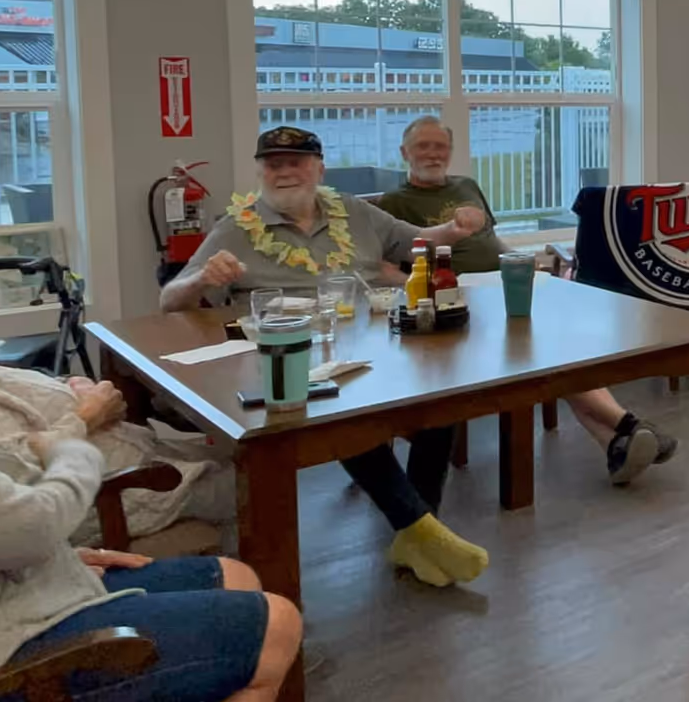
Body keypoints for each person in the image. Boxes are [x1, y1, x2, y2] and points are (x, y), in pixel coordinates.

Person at [162, 126, 489, 587]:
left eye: (295, 162)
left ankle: (420, 525)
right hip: (284, 353)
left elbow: (417, 241)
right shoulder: (236, 228)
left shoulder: (353, 211)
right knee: (341, 408)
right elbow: (169, 301)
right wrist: (198, 281)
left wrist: (453, 229)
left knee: (440, 397)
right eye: (273, 164)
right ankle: (420, 530)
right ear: (260, 171)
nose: (284, 172)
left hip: (368, 341)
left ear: (319, 168)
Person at [0, 396, 300, 700]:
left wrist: (55, 556)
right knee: (277, 624)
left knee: (235, 576)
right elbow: (23, 530)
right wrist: (73, 451)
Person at [376, 116, 676, 485]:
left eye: (440, 146)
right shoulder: (393, 202)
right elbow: (384, 268)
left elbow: (492, 243)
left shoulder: (467, 185)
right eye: (423, 146)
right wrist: (426, 287)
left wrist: (527, 263)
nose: (433, 153)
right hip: (454, 298)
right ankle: (626, 425)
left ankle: (616, 444)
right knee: (546, 350)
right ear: (405, 152)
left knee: (563, 344)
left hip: (503, 284)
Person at [0, 236, 233, 545]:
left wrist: (74, 388)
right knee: (262, 485)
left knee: (247, 456)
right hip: (121, 491)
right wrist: (89, 413)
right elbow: (18, 470)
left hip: (143, 456)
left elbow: (15, 405)